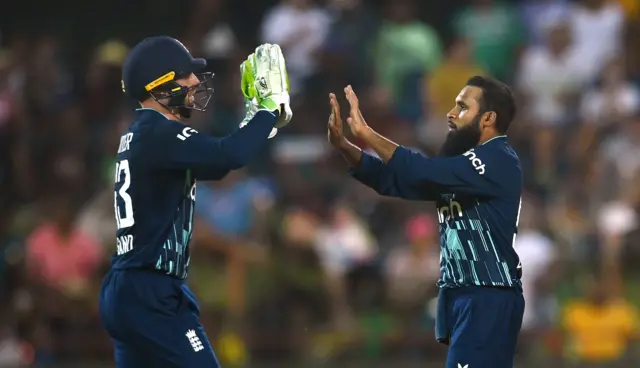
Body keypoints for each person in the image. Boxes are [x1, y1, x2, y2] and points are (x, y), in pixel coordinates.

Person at [98, 36, 292, 367]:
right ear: (160, 84)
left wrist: (253, 125)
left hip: (128, 287)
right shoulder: (161, 132)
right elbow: (229, 155)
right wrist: (268, 110)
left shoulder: (142, 133)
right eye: (185, 74)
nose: (195, 82)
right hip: (151, 292)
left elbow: (219, 163)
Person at [327, 77, 524, 368]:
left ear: (488, 118)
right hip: (466, 293)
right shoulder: (463, 167)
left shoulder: (497, 159)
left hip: (487, 293)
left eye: (462, 107)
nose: (451, 113)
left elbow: (422, 170)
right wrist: (345, 147)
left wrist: (366, 134)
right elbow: (397, 180)